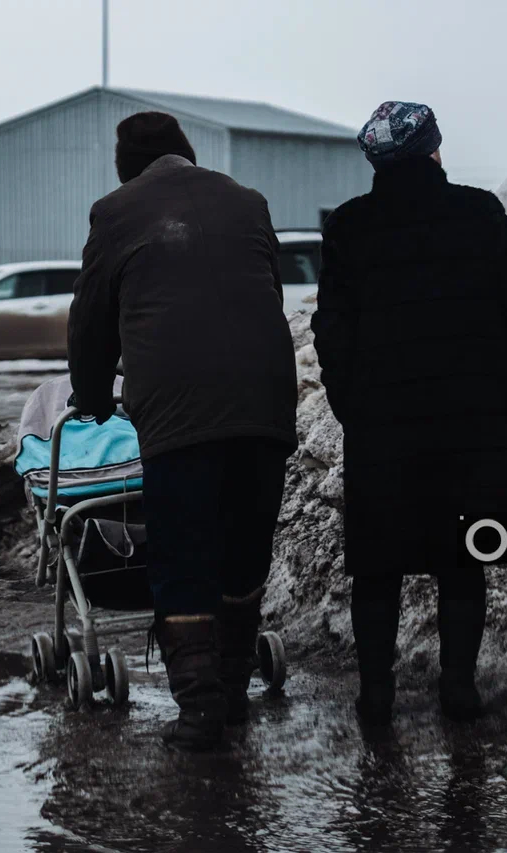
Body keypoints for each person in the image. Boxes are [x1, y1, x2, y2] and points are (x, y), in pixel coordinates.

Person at [311, 101, 507, 725]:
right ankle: (458, 689)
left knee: (379, 562)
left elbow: (331, 332)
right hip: (478, 421)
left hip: (385, 428)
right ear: (435, 150)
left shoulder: (349, 227)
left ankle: (375, 694)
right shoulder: (480, 213)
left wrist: (352, 407)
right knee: (465, 556)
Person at [68, 112, 298, 751]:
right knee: (245, 547)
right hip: (265, 400)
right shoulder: (247, 201)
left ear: (125, 163)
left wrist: (91, 398)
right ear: (186, 153)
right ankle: (230, 693)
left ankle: (200, 711)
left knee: (184, 551)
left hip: (178, 409)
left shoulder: (115, 211)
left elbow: (91, 319)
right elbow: (266, 292)